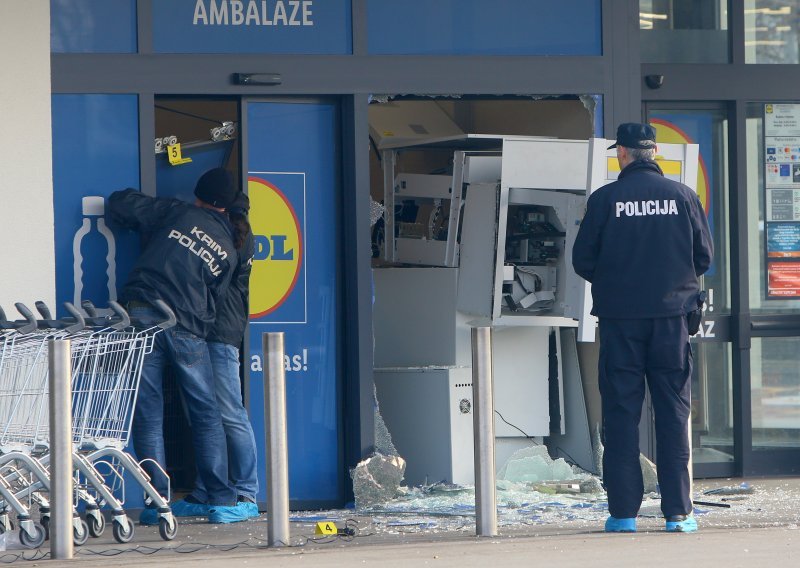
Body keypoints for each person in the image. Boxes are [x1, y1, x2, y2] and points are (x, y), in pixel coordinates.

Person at [572, 123, 713, 534]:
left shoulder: (605, 200)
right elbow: (702, 257)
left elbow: (583, 261)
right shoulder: (683, 197)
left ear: (623, 154)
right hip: (672, 322)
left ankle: (624, 514)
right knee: (673, 414)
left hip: (621, 323)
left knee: (620, 414)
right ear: (653, 153)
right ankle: (679, 513)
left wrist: (620, 280)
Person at [109, 167, 252, 524]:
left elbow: (122, 203)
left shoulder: (177, 212)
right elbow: (215, 298)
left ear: (199, 195)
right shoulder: (230, 251)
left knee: (149, 415)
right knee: (206, 414)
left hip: (142, 314)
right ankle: (220, 499)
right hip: (188, 327)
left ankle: (157, 503)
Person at [170, 191, 260, 520]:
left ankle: (246, 494)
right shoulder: (232, 234)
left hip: (220, 334)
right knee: (205, 416)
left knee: (229, 414)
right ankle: (207, 490)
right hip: (203, 330)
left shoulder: (237, 240)